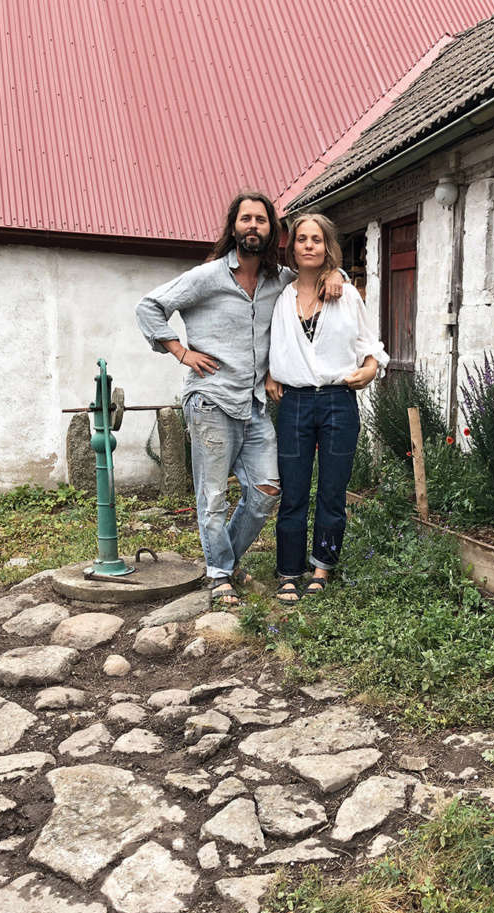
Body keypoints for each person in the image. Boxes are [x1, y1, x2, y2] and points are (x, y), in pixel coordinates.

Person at [136, 192, 344, 604]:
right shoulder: (207, 276)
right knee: (212, 496)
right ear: (234, 227)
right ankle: (219, 576)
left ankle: (224, 563)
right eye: (246, 219)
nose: (253, 226)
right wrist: (180, 351)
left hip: (254, 405)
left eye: (261, 220)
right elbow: (149, 307)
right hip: (211, 401)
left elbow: (311, 273)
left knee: (267, 491)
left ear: (272, 231)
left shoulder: (277, 281)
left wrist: (333, 272)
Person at [266, 213, 388, 604]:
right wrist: (270, 373)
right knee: (293, 491)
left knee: (333, 491)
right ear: (292, 247)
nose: (308, 245)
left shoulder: (346, 294)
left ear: (326, 246)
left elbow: (372, 346)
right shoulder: (280, 297)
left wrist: (369, 371)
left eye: (316, 239)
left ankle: (322, 566)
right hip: (295, 403)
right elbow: (268, 344)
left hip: (338, 401)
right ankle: (289, 569)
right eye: (301, 239)